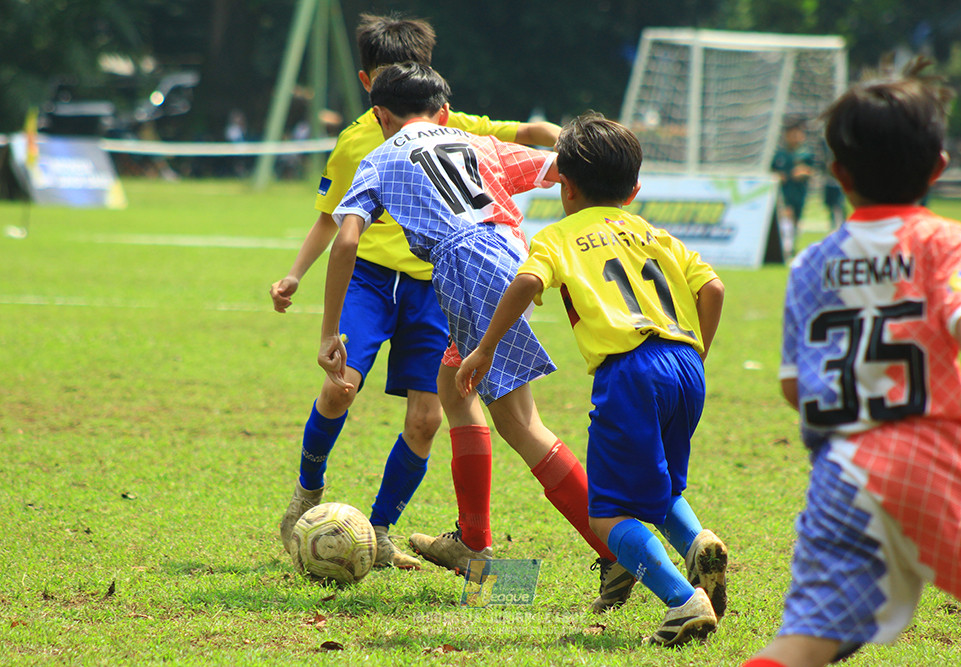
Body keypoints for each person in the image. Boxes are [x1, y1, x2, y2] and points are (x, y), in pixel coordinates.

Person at [317, 63, 625, 607]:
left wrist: (327, 333)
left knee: (522, 423)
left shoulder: (381, 156)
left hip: (466, 270)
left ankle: (613, 554)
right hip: (510, 259)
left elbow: (345, 243)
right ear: (440, 110)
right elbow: (559, 169)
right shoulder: (473, 141)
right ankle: (474, 546)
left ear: (381, 115)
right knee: (452, 385)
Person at [270, 14, 563, 571]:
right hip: (372, 279)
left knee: (428, 418)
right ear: (368, 86)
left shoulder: (451, 126)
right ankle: (308, 490)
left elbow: (522, 136)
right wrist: (295, 274)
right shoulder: (359, 141)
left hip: (438, 285)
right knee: (339, 389)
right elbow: (334, 223)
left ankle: (378, 532)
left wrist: (564, 136)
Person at [743, 58, 961, 667]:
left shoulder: (810, 263)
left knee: (804, 641)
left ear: (837, 174)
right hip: (931, 449)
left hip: (841, 467)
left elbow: (790, 384)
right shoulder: (943, 239)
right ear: (938, 168)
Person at [455, 112, 728, 646]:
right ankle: (698, 545)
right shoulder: (655, 232)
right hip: (685, 364)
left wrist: (485, 348)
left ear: (565, 185)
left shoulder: (557, 236)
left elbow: (528, 280)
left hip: (629, 373)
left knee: (605, 516)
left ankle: (683, 601)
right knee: (663, 484)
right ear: (635, 189)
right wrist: (697, 354)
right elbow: (713, 289)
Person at [770, 117, 815, 257]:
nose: (795, 137)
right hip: (783, 194)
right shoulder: (780, 154)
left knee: (795, 221)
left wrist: (805, 172)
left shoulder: (806, 154)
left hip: (799, 194)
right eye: (792, 134)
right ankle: (786, 249)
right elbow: (772, 171)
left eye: (798, 134)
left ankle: (791, 247)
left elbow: (811, 171)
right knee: (785, 220)